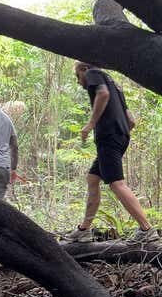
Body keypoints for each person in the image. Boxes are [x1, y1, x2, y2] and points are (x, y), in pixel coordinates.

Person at [64, 62, 157, 242]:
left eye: (77, 76)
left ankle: (147, 229)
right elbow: (131, 120)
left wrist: (91, 124)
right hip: (120, 136)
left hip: (109, 137)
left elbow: (102, 93)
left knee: (116, 183)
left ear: (83, 69)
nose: (78, 81)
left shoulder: (93, 73)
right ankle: (84, 229)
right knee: (93, 178)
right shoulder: (115, 84)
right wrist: (119, 133)